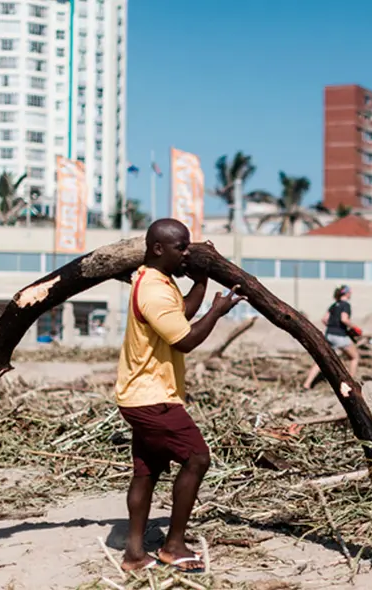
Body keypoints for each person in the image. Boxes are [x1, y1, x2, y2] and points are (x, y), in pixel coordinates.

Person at [116, 219, 245, 573]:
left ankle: (134, 554)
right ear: (159, 248)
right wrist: (217, 313)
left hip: (138, 394)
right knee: (197, 458)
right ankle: (173, 544)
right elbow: (184, 339)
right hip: (153, 397)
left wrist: (202, 283)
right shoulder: (154, 290)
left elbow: (182, 314)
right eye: (181, 247)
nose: (187, 252)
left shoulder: (155, 280)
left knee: (147, 472)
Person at [302, 285, 360, 390]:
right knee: (354, 357)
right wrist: (355, 328)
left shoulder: (334, 305)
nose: (351, 293)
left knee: (321, 360)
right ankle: (351, 384)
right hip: (340, 336)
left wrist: (333, 327)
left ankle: (307, 384)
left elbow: (324, 319)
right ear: (346, 293)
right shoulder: (346, 305)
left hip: (329, 335)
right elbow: (344, 319)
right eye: (350, 292)